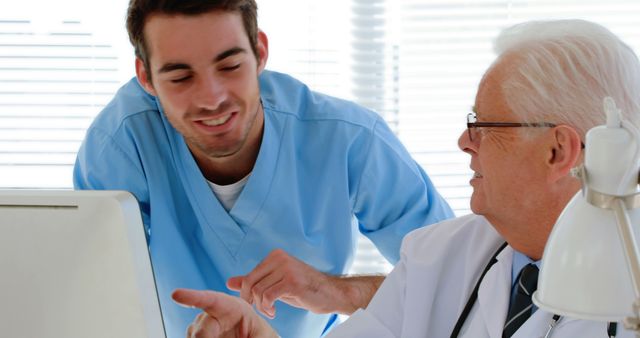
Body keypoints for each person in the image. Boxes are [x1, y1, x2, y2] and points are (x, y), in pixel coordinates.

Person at [172, 19, 640, 338]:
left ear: (558, 151)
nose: (463, 141)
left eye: (483, 125)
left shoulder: (629, 281)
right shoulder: (440, 255)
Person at [72, 0, 453, 337]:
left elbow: (457, 283)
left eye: (230, 65)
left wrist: (335, 292)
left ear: (260, 52)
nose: (212, 99)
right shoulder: (121, 144)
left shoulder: (352, 140)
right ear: (145, 78)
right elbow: (86, 295)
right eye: (181, 77)